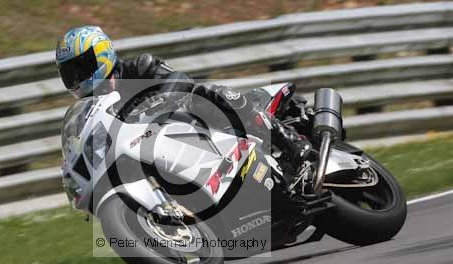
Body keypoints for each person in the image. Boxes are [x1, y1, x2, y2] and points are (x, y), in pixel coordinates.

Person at [55, 26, 312, 176]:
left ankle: (289, 141)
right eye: (70, 74)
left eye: (81, 67)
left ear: (101, 54)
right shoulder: (94, 110)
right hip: (164, 150)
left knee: (209, 94)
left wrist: (162, 98)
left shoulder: (141, 67)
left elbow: (178, 79)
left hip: (194, 122)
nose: (77, 78)